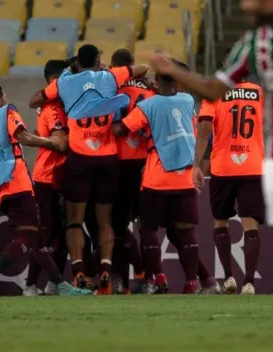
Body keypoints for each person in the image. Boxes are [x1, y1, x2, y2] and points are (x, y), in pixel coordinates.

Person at [150, 0, 273, 344]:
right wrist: (176, 70)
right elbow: (215, 89)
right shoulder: (253, 44)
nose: (246, 9)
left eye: (251, 3)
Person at [29, 44, 149, 294]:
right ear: (97, 60)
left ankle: (79, 272)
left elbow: (35, 100)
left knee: (74, 221)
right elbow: (143, 68)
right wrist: (109, 72)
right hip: (108, 157)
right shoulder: (109, 76)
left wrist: (62, 89)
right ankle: (105, 269)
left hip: (79, 158)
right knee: (105, 221)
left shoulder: (66, 82)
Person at [0, 83, 91, 297]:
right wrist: (52, 143)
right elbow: (24, 137)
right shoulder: (6, 112)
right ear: (0, 98)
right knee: (28, 235)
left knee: (36, 238)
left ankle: (61, 285)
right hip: (16, 181)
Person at [113, 63, 201, 294]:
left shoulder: (148, 105)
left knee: (148, 229)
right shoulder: (188, 100)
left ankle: (160, 278)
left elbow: (122, 129)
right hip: (185, 177)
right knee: (185, 231)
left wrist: (113, 114)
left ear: (156, 81)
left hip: (157, 177)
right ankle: (192, 282)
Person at [197, 61, 265, 295]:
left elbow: (205, 129)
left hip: (223, 167)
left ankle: (228, 278)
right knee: (250, 223)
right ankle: (249, 283)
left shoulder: (214, 92)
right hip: (253, 165)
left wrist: (197, 164)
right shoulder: (258, 92)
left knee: (220, 221)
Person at [24, 60, 70, 297]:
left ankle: (53, 284)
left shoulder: (56, 105)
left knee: (63, 232)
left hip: (57, 175)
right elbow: (61, 142)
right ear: (55, 81)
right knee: (48, 233)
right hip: (49, 176)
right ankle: (31, 284)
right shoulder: (53, 108)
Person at [109, 49, 150, 292]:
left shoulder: (110, 88)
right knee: (147, 227)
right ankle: (148, 279)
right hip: (146, 163)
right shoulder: (150, 90)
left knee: (116, 225)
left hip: (118, 162)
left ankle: (119, 279)